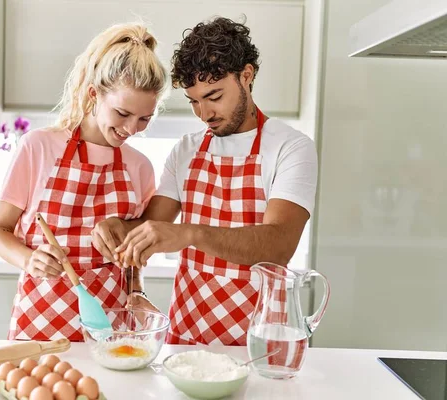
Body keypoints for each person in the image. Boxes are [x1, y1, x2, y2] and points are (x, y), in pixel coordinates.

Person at [92, 17, 318, 346]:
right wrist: (118, 229)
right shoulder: (186, 150)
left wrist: (190, 233)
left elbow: (278, 246)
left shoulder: (291, 147)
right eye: (194, 101)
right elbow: (152, 228)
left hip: (258, 343)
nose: (204, 113)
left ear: (246, 75)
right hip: (187, 342)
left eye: (214, 96)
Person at [0, 23, 168, 341]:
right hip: (39, 322)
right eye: (122, 113)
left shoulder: (139, 168)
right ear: (93, 95)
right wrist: (29, 259)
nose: (132, 129)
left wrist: (136, 289)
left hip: (108, 327)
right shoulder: (38, 147)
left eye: (144, 118)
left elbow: (133, 253)